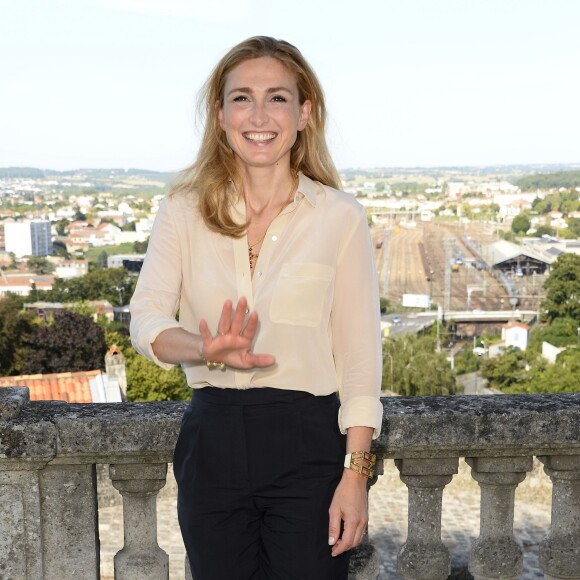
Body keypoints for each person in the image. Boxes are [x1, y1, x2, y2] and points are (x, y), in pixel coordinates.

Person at [130, 35, 382, 580]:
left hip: (308, 442)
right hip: (211, 440)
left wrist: (355, 477)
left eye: (277, 97)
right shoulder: (181, 211)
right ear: (220, 115)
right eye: (242, 97)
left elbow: (360, 361)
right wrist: (202, 347)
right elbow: (146, 319)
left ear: (304, 113)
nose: (259, 115)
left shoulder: (339, 217)